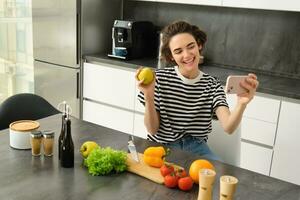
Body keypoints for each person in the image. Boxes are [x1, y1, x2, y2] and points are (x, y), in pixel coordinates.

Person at [136, 21, 259, 161]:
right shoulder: (158, 79)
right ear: (171, 56)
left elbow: (229, 127)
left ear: (199, 45)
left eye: (191, 46)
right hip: (161, 148)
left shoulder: (212, 85)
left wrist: (242, 103)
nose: (187, 55)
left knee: (216, 178)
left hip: (197, 150)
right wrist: (148, 95)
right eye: (178, 51)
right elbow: (152, 130)